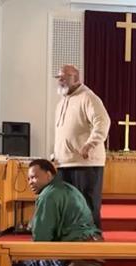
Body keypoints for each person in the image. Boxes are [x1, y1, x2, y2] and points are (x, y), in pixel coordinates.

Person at [53, 64, 111, 228]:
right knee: (69, 207)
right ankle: (73, 244)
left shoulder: (88, 97)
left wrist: (89, 145)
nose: (60, 81)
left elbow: (102, 122)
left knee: (87, 206)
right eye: (59, 78)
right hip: (64, 163)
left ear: (76, 78)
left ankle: (93, 244)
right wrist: (56, 152)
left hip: (85, 163)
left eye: (64, 77)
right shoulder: (60, 103)